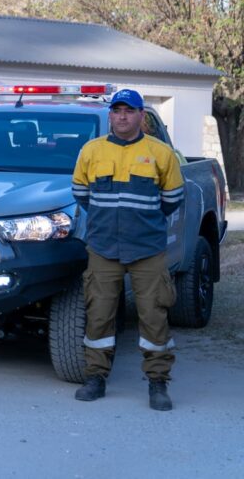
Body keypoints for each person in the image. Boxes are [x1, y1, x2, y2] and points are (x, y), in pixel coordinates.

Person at [71, 88, 184, 410]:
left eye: (129, 111)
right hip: (103, 246)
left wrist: (141, 222)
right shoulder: (91, 151)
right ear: (110, 114)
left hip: (147, 248)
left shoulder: (160, 153)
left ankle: (158, 383)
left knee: (154, 316)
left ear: (140, 116)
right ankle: (96, 377)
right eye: (117, 110)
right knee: (99, 316)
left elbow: (173, 198)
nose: (122, 116)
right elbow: (81, 192)